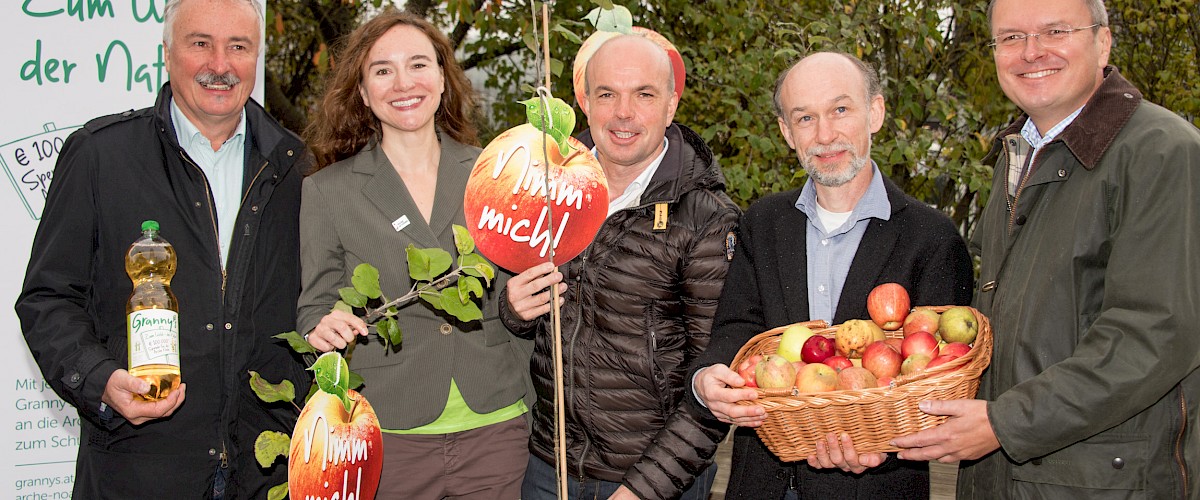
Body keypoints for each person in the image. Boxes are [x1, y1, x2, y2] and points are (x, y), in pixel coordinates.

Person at [890, 0, 1200, 497]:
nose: (1031, 52)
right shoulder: (1018, 155)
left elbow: (1153, 332)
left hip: (1104, 481)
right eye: (1011, 37)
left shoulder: (1162, 153)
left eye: (1055, 31)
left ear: (1103, 42)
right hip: (1003, 476)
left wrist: (1005, 423)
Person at [14, 0, 311, 497]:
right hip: (139, 468)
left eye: (238, 47)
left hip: (264, 471)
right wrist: (100, 379)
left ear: (255, 58)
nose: (220, 65)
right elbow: (47, 299)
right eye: (201, 44)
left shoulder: (295, 168)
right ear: (167, 55)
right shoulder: (99, 155)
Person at [688, 52, 974, 499]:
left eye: (841, 110)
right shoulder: (762, 224)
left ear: (875, 112)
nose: (825, 135)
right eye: (805, 118)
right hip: (760, 482)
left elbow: (936, 374)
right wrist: (707, 378)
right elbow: (737, 329)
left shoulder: (933, 238)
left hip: (877, 488)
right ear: (787, 132)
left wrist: (879, 445)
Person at [296, 9, 533, 499]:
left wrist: (522, 303)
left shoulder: (495, 174)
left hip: (494, 422)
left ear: (443, 79)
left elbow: (518, 293)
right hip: (388, 430)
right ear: (363, 92)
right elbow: (314, 308)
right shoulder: (326, 192)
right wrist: (323, 326)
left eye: (419, 64)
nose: (403, 82)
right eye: (383, 70)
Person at [501, 34, 741, 499]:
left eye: (644, 95)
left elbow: (716, 376)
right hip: (549, 466)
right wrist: (512, 306)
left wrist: (643, 489)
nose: (624, 113)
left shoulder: (706, 217)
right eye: (608, 94)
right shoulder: (545, 186)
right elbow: (525, 311)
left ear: (671, 106)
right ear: (584, 101)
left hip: (653, 480)